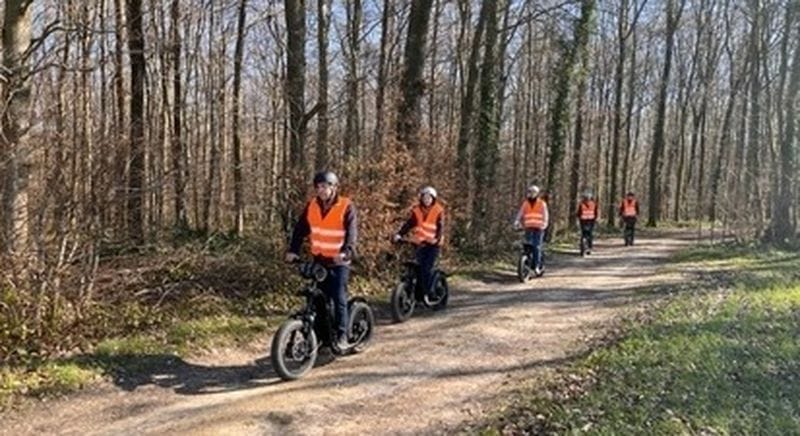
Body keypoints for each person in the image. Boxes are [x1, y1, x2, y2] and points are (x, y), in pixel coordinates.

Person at [286, 171, 357, 350]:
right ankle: (321, 336)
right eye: (318, 187)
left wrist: (347, 252)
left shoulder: (346, 206)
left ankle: (342, 335)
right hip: (319, 260)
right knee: (317, 299)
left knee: (338, 297)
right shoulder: (312, 206)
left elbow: (351, 233)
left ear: (334, 187)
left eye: (325, 186)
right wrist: (293, 250)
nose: (321, 190)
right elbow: (300, 229)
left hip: (339, 262)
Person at [393, 186, 445, 300]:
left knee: (426, 268)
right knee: (415, 267)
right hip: (420, 244)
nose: (427, 200)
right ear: (421, 198)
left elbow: (440, 226)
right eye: (425, 198)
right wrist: (399, 234)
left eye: (429, 198)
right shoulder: (417, 211)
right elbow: (409, 224)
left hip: (433, 245)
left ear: (433, 199)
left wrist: (437, 239)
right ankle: (416, 291)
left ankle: (429, 292)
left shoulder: (438, 210)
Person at [514, 184, 549, 275]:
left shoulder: (542, 203)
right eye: (529, 192)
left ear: (537, 193)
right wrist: (517, 221)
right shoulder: (525, 203)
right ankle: (526, 263)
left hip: (538, 228)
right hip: (528, 227)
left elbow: (545, 215)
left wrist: (544, 224)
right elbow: (520, 213)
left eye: (533, 192)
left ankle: (537, 266)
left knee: (536, 246)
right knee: (527, 245)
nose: (531, 194)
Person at [576, 190, 598, 254]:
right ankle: (589, 247)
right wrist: (596, 218)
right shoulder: (593, 204)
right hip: (591, 220)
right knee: (590, 233)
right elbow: (596, 213)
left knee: (584, 233)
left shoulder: (581, 204)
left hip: (583, 220)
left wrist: (578, 217)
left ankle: (584, 246)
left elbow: (578, 213)